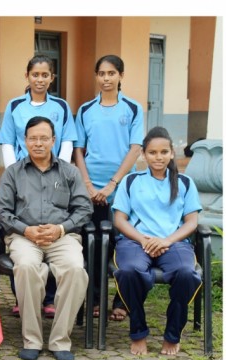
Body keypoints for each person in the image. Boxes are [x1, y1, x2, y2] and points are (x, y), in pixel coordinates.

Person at [0, 116, 92, 360]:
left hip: (62, 236)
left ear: (53, 141)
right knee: (26, 268)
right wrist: (26, 230)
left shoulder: (69, 172)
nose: (38, 143)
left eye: (44, 138)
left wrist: (61, 228)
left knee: (75, 270)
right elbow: (1, 211)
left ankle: (60, 341)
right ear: (25, 141)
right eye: (33, 138)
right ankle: (32, 340)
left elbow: (84, 209)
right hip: (25, 236)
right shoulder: (13, 173)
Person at [0, 54, 78, 318]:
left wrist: (58, 172)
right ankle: (24, 297)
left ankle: (50, 299)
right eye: (35, 74)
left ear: (51, 78)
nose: (40, 79)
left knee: (51, 231)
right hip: (23, 174)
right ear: (27, 76)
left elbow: (67, 141)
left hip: (55, 174)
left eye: (45, 75)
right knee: (24, 235)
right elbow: (7, 141)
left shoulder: (62, 106)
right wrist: (14, 172)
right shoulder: (15, 106)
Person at [111, 127, 201, 356]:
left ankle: (172, 335)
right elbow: (119, 219)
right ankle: (138, 332)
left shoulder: (185, 182)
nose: (158, 157)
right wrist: (142, 238)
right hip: (135, 242)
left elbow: (192, 222)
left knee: (186, 274)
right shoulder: (131, 181)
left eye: (163, 152)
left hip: (174, 243)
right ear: (143, 154)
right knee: (129, 271)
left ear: (172, 153)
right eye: (152, 152)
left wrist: (166, 240)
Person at [73, 54, 144, 321]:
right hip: (90, 190)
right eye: (101, 73)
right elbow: (79, 149)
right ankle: (94, 299)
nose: (106, 79)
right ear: (96, 76)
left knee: (122, 243)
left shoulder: (133, 109)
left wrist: (113, 184)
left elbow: (135, 148)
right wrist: (89, 186)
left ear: (121, 76)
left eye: (111, 73)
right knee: (92, 244)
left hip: (122, 187)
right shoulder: (86, 109)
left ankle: (122, 300)